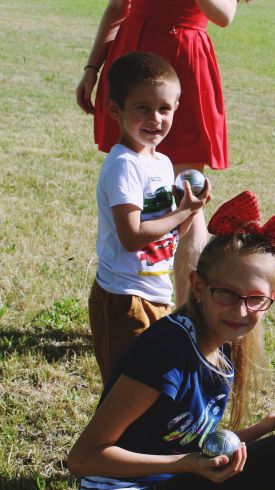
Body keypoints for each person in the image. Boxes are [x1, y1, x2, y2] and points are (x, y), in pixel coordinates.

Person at [69, 191, 275, 490]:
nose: (240, 310)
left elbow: (188, 447)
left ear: (272, 299)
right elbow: (83, 457)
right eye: (226, 294)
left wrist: (270, 425)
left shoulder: (219, 348)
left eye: (255, 299)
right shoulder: (166, 353)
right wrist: (185, 465)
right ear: (198, 287)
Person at [76, 0, 247, 306]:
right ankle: (124, 293)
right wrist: (92, 67)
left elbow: (223, 15)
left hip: (183, 62)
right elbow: (118, 6)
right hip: (133, 55)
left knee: (188, 195)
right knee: (132, 180)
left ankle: (187, 313)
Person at [89, 51, 211, 385]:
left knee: (152, 387)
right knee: (125, 388)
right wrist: (182, 211)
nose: (155, 118)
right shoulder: (124, 165)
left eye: (164, 108)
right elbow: (131, 236)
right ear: (116, 109)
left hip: (157, 293)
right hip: (124, 297)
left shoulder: (162, 163)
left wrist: (190, 210)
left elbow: (170, 233)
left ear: (176, 108)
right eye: (142, 108)